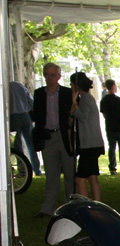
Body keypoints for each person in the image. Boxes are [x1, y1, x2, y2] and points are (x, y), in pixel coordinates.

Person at [31, 62, 76, 218]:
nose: (49, 78)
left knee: (70, 172)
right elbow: (37, 115)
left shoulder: (67, 93)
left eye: (53, 75)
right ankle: (48, 208)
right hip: (48, 137)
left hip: (65, 136)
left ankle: (69, 206)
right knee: (51, 174)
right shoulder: (38, 94)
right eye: (47, 75)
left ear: (59, 76)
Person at [69, 72, 104, 201]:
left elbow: (83, 117)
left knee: (80, 178)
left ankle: (85, 206)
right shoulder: (88, 98)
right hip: (93, 143)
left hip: (89, 144)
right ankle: (97, 204)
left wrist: (75, 103)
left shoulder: (85, 99)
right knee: (92, 176)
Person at [9, 80, 42, 175]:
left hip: (13, 116)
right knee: (31, 145)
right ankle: (37, 169)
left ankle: (23, 170)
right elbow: (30, 100)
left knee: (17, 145)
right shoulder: (19, 85)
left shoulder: (6, 88)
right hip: (25, 115)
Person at [99, 78, 120, 174]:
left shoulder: (104, 100)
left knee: (111, 147)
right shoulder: (119, 100)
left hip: (110, 127)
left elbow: (104, 114)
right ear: (113, 86)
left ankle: (112, 167)